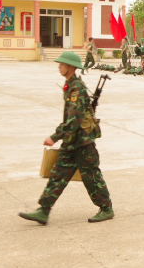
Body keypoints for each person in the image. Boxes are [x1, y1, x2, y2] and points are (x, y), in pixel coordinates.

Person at [18, 52, 113, 225]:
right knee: (57, 175)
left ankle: (106, 208)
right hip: (71, 141)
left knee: (91, 177)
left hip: (83, 142)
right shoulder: (70, 85)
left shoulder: (77, 88)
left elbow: (74, 120)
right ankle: (43, 211)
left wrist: (55, 137)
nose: (59, 67)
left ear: (70, 67)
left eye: (62, 64)